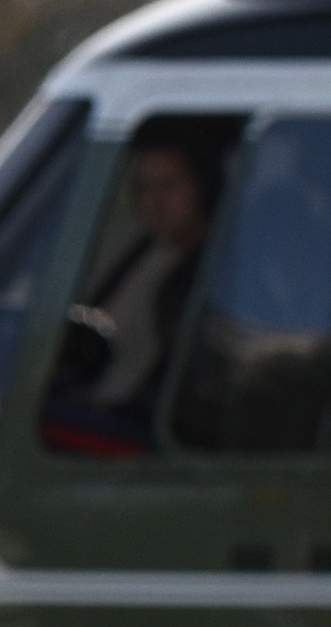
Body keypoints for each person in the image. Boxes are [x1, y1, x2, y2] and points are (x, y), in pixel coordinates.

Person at [39, 123, 224, 458]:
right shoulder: (172, 263)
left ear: (206, 187)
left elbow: (183, 390)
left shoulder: (205, 277)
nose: (155, 201)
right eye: (145, 188)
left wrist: (115, 410)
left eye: (169, 186)